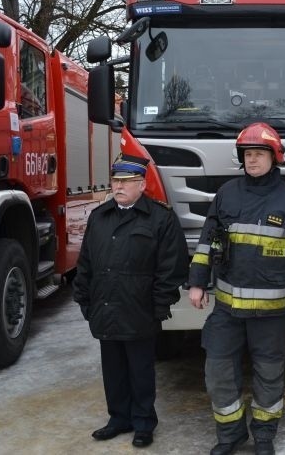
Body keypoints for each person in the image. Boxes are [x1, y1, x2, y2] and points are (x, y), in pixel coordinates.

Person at [187, 122, 285, 455]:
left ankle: (264, 436)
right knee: (217, 372)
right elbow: (208, 242)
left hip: (271, 313)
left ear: (275, 158)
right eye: (247, 154)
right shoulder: (227, 194)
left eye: (259, 154)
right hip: (227, 310)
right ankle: (231, 435)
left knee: (269, 376)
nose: (252, 160)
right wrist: (197, 283)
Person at [73, 153, 189, 448]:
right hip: (105, 307)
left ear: (142, 184)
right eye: (116, 181)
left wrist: (159, 306)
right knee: (113, 369)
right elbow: (85, 262)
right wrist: (84, 299)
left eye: (127, 182)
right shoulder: (100, 217)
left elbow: (171, 268)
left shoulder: (160, 218)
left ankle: (143, 423)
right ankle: (119, 418)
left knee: (140, 371)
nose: (119, 187)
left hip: (140, 309)